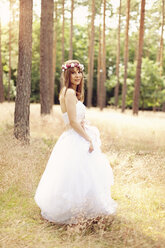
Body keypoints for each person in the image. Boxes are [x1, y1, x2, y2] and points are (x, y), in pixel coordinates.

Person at [34, 60, 117, 224]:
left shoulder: (66, 91)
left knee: (79, 175)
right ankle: (78, 211)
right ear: (67, 74)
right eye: (73, 72)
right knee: (80, 175)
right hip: (76, 137)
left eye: (79, 72)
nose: (77, 75)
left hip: (73, 135)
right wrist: (88, 139)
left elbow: (73, 119)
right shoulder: (70, 93)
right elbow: (72, 122)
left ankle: (80, 208)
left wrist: (83, 125)